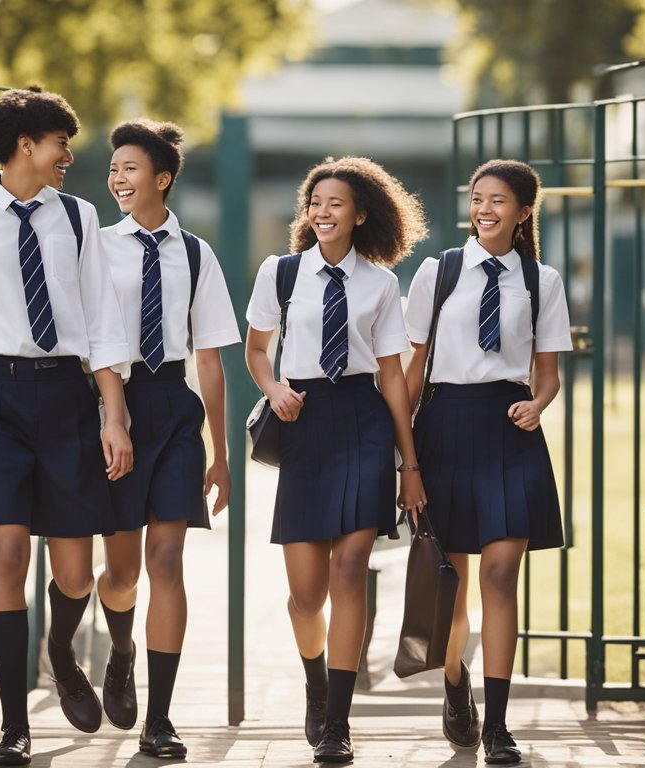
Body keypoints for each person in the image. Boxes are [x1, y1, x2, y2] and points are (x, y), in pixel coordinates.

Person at [0, 88, 133, 767]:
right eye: (59, 144)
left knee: (75, 575)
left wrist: (115, 415)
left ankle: (62, 654)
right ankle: (15, 727)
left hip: (69, 398)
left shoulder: (77, 217)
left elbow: (101, 322)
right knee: (6, 557)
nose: (69, 156)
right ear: (24, 147)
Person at [244, 156, 428, 764]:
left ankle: (338, 724)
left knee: (351, 574)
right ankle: (316, 683)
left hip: (361, 424)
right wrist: (273, 389)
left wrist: (409, 463)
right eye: (315, 202)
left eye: (336, 204)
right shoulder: (280, 273)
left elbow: (394, 379)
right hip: (302, 423)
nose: (322, 212)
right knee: (305, 595)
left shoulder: (380, 283)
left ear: (361, 215)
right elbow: (256, 351)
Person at [403, 159, 571, 765]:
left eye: (499, 200)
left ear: (524, 211)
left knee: (501, 577)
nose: (485, 209)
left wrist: (538, 405)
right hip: (443, 427)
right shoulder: (437, 272)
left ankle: (498, 726)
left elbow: (547, 375)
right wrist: (407, 456)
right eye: (478, 199)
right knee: (452, 585)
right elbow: (411, 368)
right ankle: (455, 682)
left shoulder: (541, 281)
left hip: (509, 431)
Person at [93, 119, 240, 758]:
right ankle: (121, 647)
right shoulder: (93, 248)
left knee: (168, 563)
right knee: (121, 573)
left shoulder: (198, 254)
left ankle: (160, 719)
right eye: (113, 168)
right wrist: (112, 415)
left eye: (130, 168)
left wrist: (221, 453)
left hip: (175, 408)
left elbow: (210, 359)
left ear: (162, 178)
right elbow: (91, 345)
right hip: (115, 407)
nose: (117, 179)